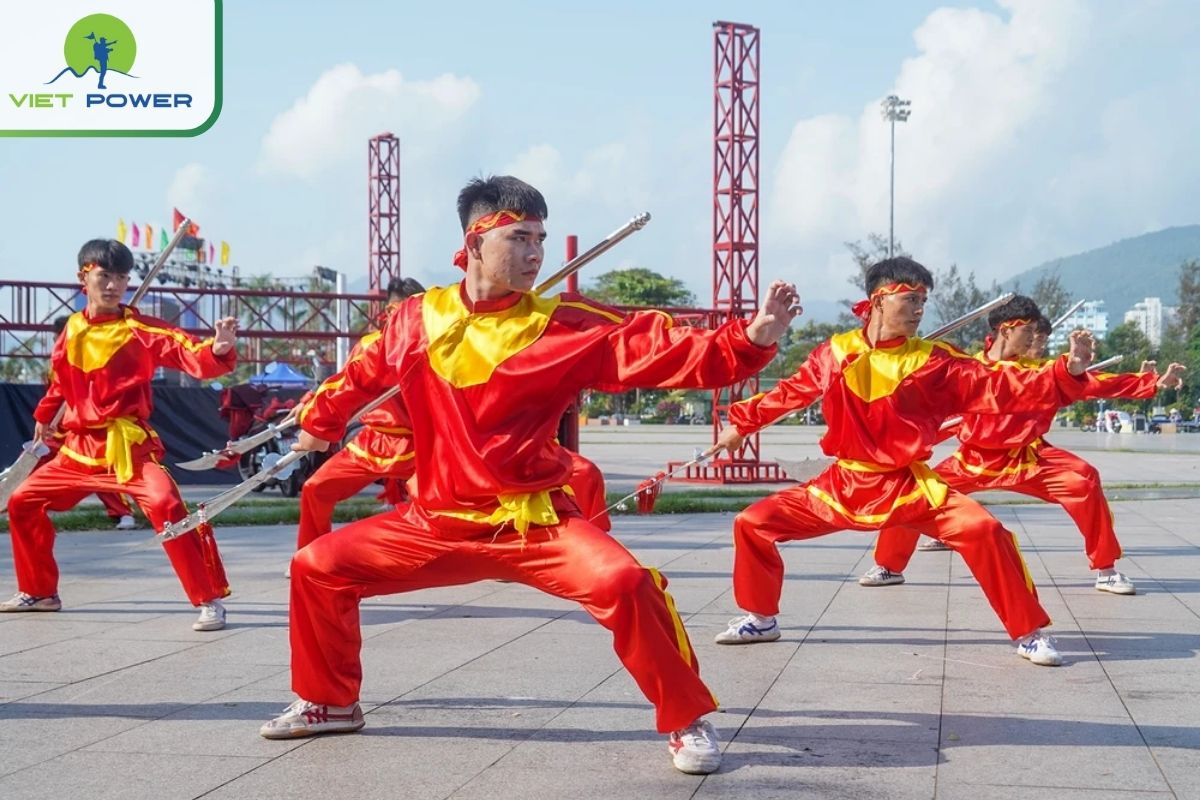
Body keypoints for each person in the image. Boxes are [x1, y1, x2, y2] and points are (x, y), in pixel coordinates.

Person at [258, 175, 799, 776]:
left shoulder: (562, 325)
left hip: (532, 522)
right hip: (433, 522)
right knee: (316, 568)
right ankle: (331, 703)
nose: (535, 253)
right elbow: (359, 374)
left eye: (540, 239)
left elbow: (656, 349)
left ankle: (685, 718)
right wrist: (319, 418)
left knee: (626, 582)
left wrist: (748, 341)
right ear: (475, 241)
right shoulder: (414, 319)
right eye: (520, 238)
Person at [713, 260, 1095, 668]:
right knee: (752, 522)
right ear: (878, 299)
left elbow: (1000, 385)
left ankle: (1028, 631)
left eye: (923, 301)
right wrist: (743, 424)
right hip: (842, 484)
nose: (919, 310)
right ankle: (760, 618)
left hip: (906, 485)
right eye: (911, 298)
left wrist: (1066, 372)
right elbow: (793, 391)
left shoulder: (935, 362)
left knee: (984, 530)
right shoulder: (836, 352)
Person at [862, 298, 1185, 595]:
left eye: (1036, 332)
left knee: (1084, 479)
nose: (1034, 339)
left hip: (1027, 459)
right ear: (1006, 329)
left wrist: (1150, 383)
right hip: (972, 461)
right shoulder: (965, 369)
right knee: (910, 495)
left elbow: (1093, 383)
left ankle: (1106, 569)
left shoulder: (1038, 372)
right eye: (1028, 331)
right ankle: (889, 566)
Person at [2, 239, 238, 631]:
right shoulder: (73, 328)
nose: (113, 285)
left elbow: (187, 352)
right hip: (76, 450)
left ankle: (209, 599)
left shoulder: (139, 330)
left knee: (166, 504)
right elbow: (60, 380)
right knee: (23, 502)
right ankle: (39, 592)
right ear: (84, 277)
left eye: (121, 277)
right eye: (104, 276)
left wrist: (219, 349)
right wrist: (45, 415)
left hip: (126, 449)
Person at [293, 277, 426, 556]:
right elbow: (345, 383)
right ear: (391, 312)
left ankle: (495, 552)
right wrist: (308, 405)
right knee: (316, 488)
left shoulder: (435, 347)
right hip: (372, 441)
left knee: (453, 504)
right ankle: (310, 555)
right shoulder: (370, 345)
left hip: (422, 444)